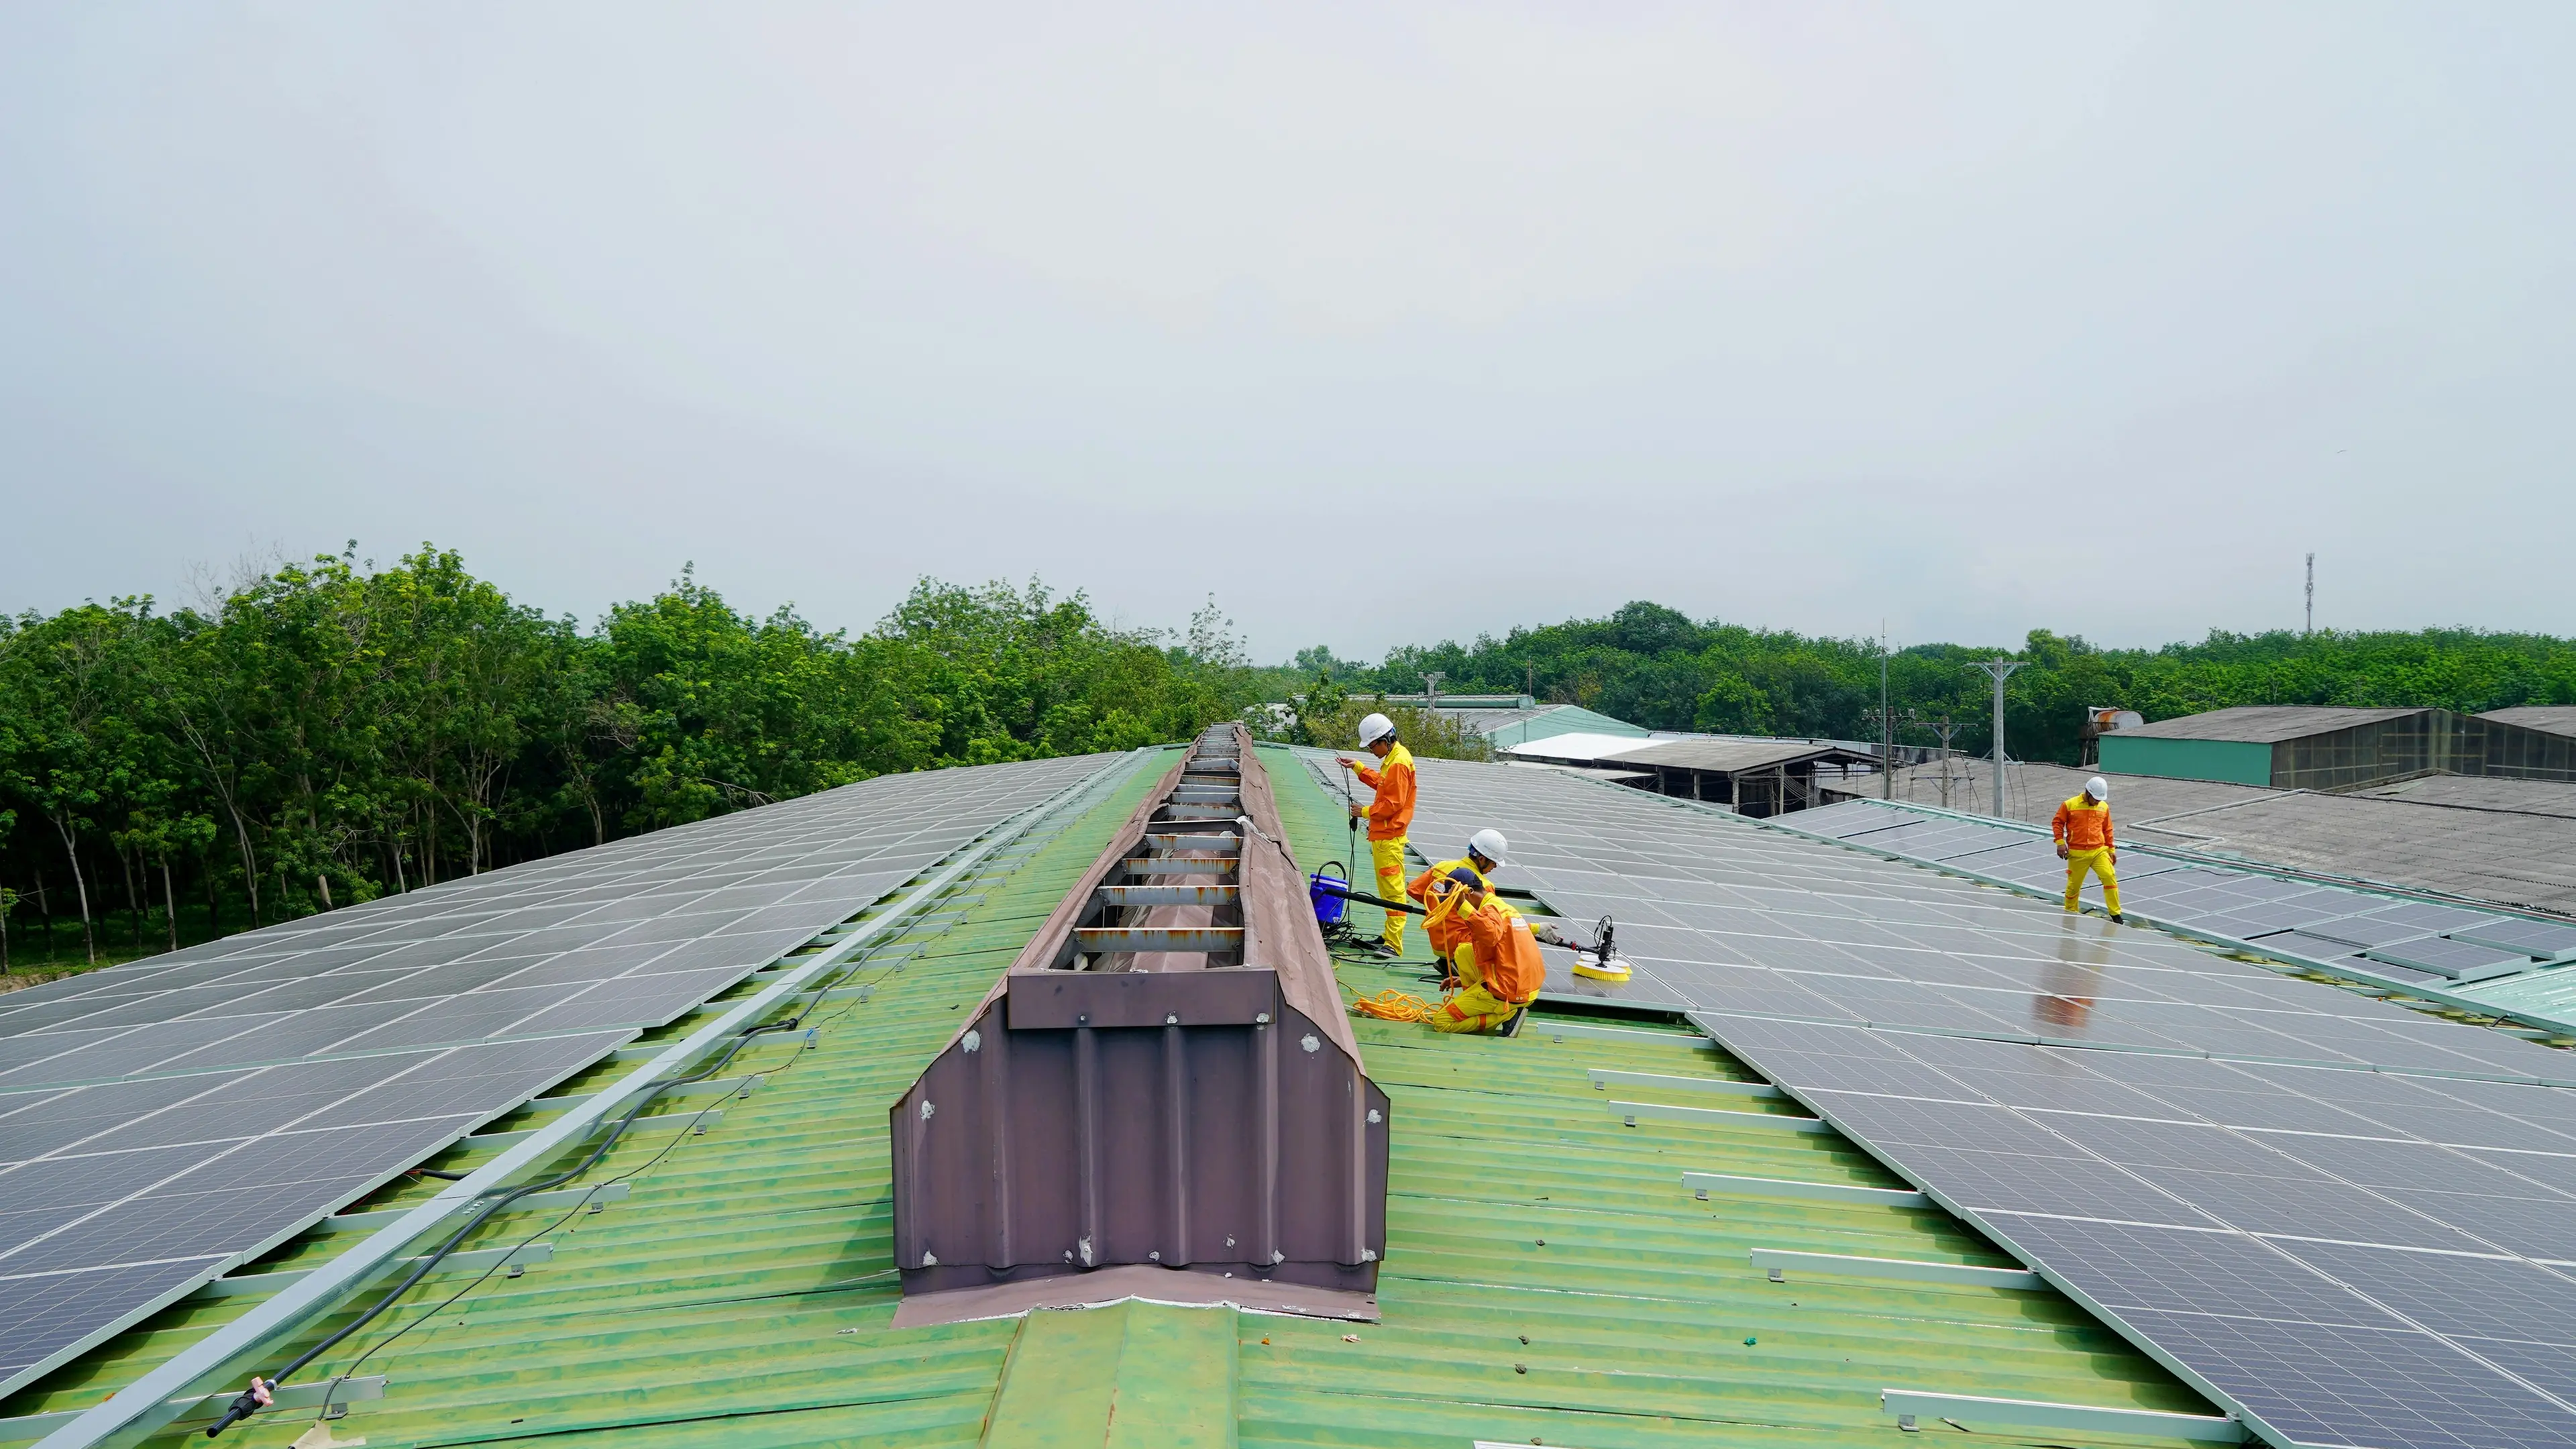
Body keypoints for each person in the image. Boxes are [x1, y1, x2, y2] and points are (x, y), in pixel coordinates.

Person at [1337, 713, 1416, 959]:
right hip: (1385, 838)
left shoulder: (1399, 763)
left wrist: (1364, 812)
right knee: (1388, 891)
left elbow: (1393, 804)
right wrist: (1359, 768)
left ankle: (1393, 944)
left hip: (1389, 838)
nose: (1372, 751)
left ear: (1386, 739)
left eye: (1373, 746)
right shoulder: (1394, 758)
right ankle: (1388, 936)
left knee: (1393, 893)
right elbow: (1383, 785)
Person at [1432, 873, 1546, 1033]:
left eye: (1455, 902)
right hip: (1522, 984)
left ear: (1467, 893)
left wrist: (1463, 906)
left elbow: (1490, 935)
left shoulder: (1489, 910)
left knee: (1442, 1022)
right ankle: (1479, 999)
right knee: (1463, 951)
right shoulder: (1499, 905)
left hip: (1510, 991)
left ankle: (1506, 1015)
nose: (1455, 908)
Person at [1407, 829, 1511, 969]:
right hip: (1459, 946)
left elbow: (1414, 890)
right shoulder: (1483, 886)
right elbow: (1491, 922)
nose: (1495, 866)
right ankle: (1464, 965)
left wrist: (1441, 912)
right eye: (1493, 863)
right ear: (1482, 859)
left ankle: (1446, 962)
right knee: (1497, 937)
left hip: (1437, 943)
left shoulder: (1441, 867)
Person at [2053, 775, 2123, 922]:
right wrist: (2060, 842)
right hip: (2078, 853)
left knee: (2109, 876)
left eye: (2100, 799)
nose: (2098, 802)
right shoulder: (2070, 805)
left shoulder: (2104, 807)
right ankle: (2070, 913)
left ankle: (2116, 915)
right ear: (2088, 793)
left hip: (2099, 851)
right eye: (2096, 799)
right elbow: (2058, 822)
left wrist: (2111, 850)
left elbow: (2108, 829)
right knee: (2074, 887)